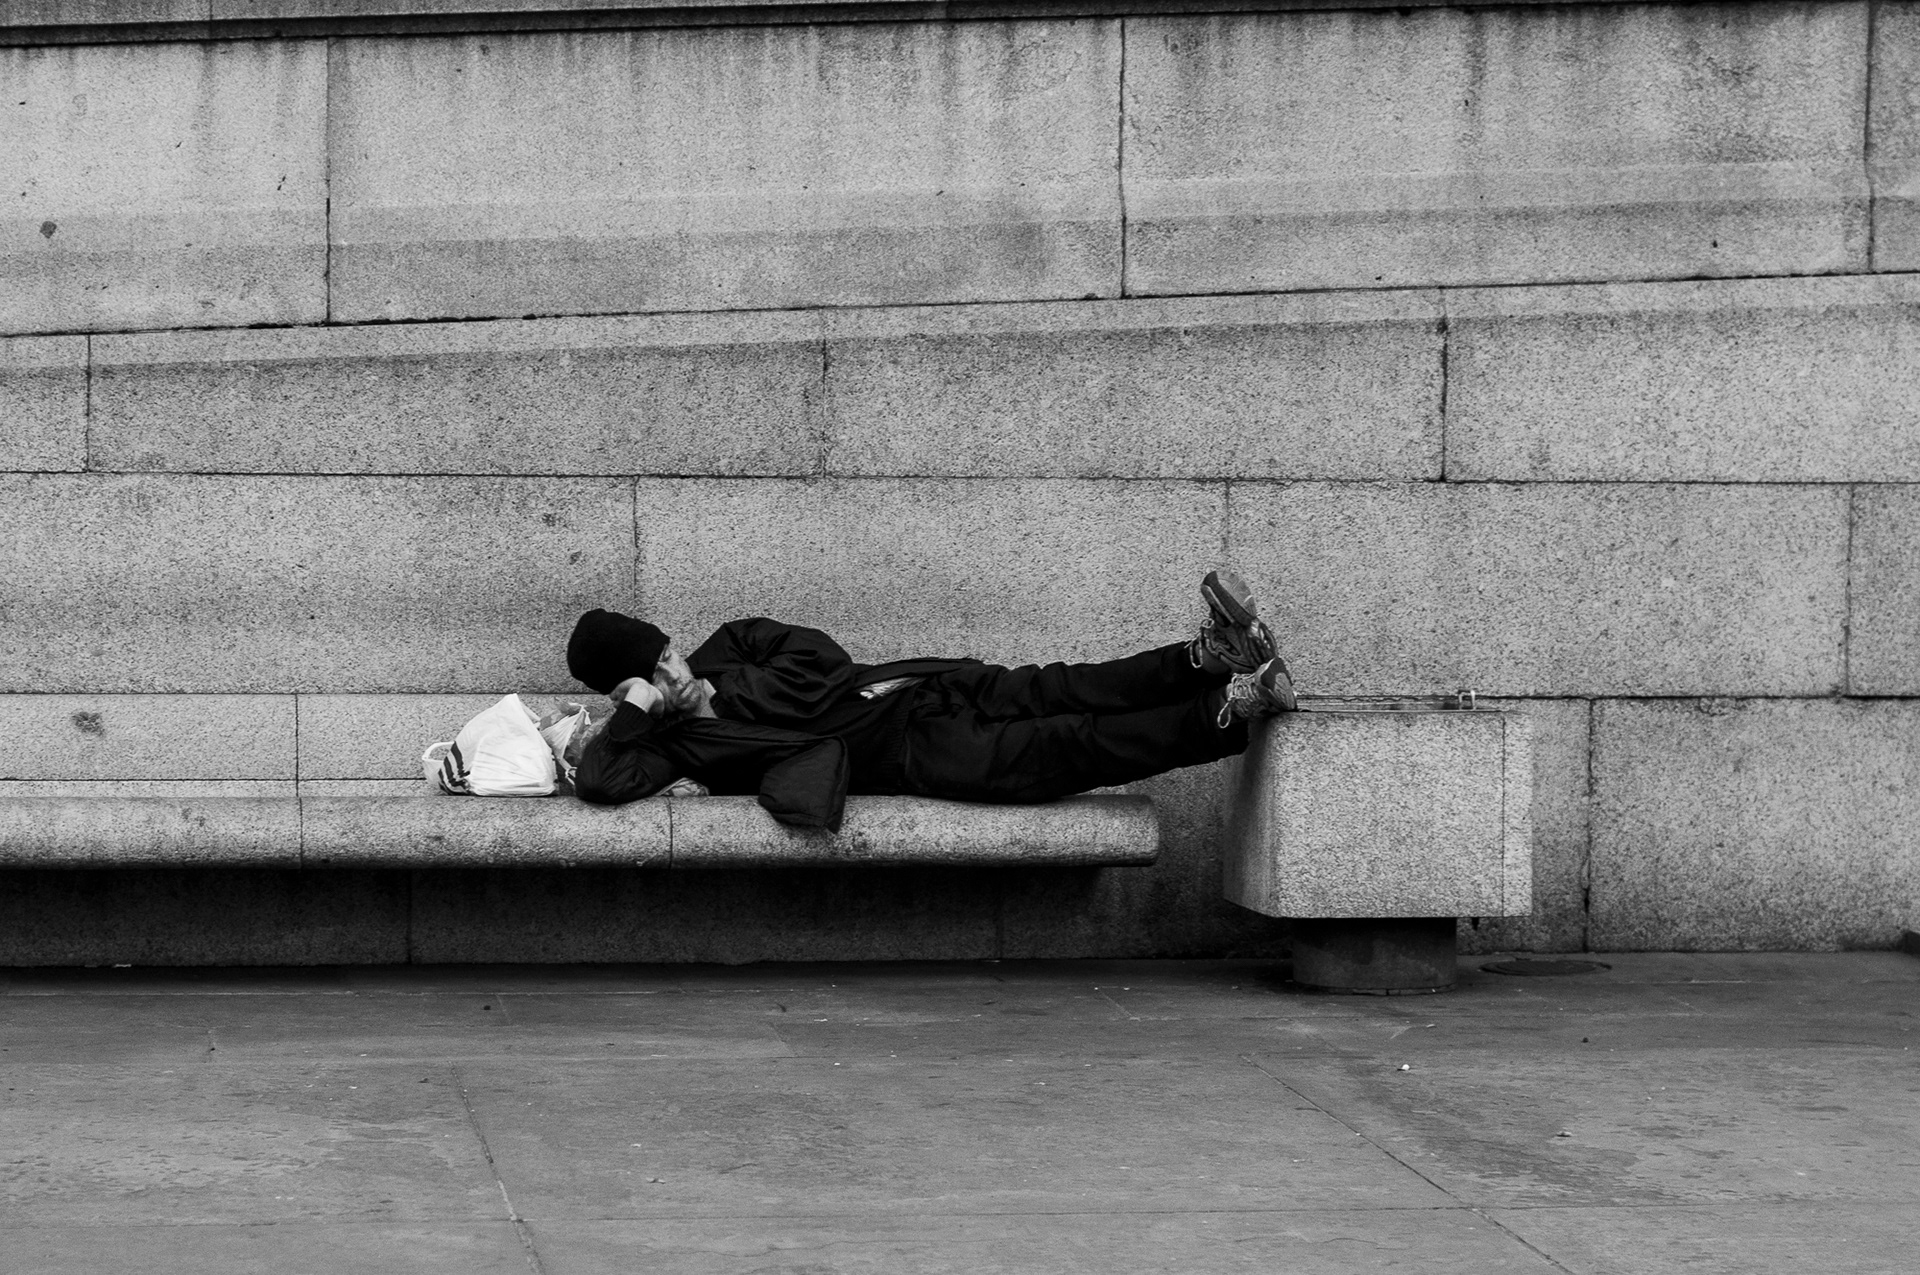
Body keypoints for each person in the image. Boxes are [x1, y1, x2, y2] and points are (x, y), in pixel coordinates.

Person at [565, 571, 1298, 831]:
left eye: (665, 654)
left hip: (925, 687)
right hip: (917, 754)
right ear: (628, 693)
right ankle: (1231, 704)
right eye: (651, 676)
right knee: (1071, 742)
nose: (674, 673)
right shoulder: (672, 748)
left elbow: (822, 659)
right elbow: (599, 781)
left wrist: (726, 691)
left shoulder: (730, 648)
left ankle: (1205, 656)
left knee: (1069, 685)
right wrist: (637, 710)